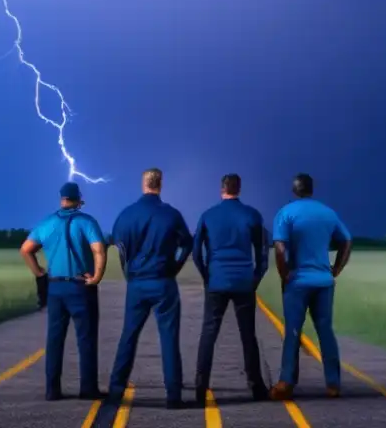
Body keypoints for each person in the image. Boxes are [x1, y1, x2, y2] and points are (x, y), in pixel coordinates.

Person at [108, 168, 193, 409]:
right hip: (163, 281)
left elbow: (121, 249)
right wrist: (174, 267)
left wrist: (129, 273)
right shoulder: (171, 215)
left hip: (137, 283)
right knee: (169, 338)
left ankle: (116, 390)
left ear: (143, 184)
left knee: (129, 335)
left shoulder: (126, 215)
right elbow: (187, 244)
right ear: (160, 184)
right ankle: (173, 395)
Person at [20, 181, 107, 401]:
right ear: (78, 199)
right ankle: (87, 389)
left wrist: (39, 272)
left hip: (55, 287)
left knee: (54, 339)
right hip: (80, 287)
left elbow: (26, 250)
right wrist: (96, 276)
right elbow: (99, 250)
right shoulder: (86, 221)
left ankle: (52, 389)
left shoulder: (47, 223)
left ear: (61, 199)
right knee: (86, 339)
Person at [269, 173, 353, 400]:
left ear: (294, 190)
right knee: (325, 330)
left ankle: (287, 382)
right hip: (323, 282)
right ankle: (333, 384)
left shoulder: (285, 213)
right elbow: (347, 240)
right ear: (311, 190)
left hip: (297, 282)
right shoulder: (328, 213)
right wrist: (336, 269)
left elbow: (279, 247)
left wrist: (284, 273)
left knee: (293, 332)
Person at [192, 173, 269, 405]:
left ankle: (200, 387)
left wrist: (207, 277)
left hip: (217, 281)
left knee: (209, 333)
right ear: (239, 189)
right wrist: (256, 277)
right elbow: (262, 253)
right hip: (244, 282)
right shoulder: (252, 215)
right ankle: (256, 387)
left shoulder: (208, 215)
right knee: (248, 335)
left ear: (221, 189)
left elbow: (196, 253)